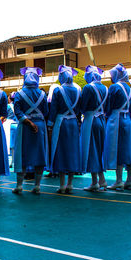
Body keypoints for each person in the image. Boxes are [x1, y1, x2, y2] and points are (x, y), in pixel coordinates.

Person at [12, 67, 48, 194]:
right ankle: (37, 185)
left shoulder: (19, 94)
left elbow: (17, 112)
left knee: (22, 154)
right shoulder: (43, 94)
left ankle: (19, 185)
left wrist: (29, 122)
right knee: (40, 154)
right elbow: (46, 112)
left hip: (25, 127)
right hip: (40, 127)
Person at [48, 65, 81, 194]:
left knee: (60, 151)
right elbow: (79, 109)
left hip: (61, 123)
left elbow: (53, 109)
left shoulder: (58, 90)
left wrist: (50, 124)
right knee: (72, 151)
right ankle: (70, 183)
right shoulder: (78, 89)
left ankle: (62, 185)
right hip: (73, 122)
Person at [105, 64, 131, 191]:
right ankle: (130, 179)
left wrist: (106, 116)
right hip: (127, 119)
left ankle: (118, 180)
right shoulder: (129, 88)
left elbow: (109, 105)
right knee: (128, 148)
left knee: (117, 149)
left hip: (116, 120)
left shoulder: (114, 87)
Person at [80, 66, 108, 191]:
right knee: (100, 149)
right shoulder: (105, 88)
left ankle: (95, 181)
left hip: (91, 120)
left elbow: (83, 106)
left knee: (92, 150)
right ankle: (102, 179)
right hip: (102, 120)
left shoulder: (88, 88)